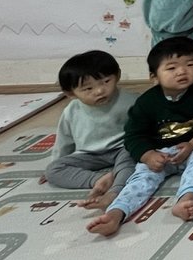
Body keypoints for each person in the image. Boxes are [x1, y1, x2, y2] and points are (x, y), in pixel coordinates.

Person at [86, 37, 193, 236]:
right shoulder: (146, 102)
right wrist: (148, 155)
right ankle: (116, 213)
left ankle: (186, 200)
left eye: (190, 64)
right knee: (141, 177)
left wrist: (191, 145)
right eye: (171, 68)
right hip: (161, 153)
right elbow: (133, 136)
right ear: (154, 76)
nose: (182, 71)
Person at [46, 51, 136, 210]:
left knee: (131, 162)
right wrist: (56, 160)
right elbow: (64, 139)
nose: (99, 90)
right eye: (88, 88)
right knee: (53, 170)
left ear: (117, 76)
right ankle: (99, 179)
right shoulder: (71, 110)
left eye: (106, 81)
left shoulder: (131, 101)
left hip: (122, 148)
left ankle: (115, 191)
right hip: (88, 154)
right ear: (71, 93)